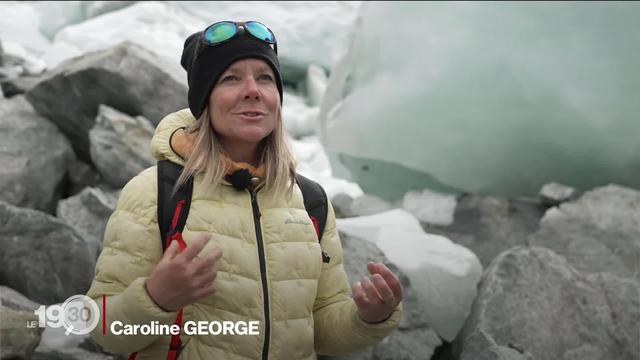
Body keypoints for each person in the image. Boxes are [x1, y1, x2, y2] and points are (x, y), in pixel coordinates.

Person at [86, 20, 403, 360]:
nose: (253, 90)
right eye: (231, 78)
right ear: (205, 100)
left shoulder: (309, 202)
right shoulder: (158, 192)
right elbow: (103, 332)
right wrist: (156, 297)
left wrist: (369, 318)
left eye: (265, 78)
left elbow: (323, 331)